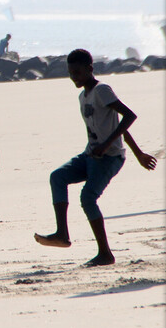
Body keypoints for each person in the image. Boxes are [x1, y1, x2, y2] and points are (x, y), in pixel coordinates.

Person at [34, 49, 157, 266]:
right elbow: (116, 124)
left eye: (78, 72)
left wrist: (127, 151)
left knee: (88, 197)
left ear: (90, 69)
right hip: (90, 156)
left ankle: (105, 254)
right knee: (57, 177)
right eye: (71, 73)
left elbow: (128, 116)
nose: (74, 77)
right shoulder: (83, 96)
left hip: (110, 158)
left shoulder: (102, 90)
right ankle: (62, 234)